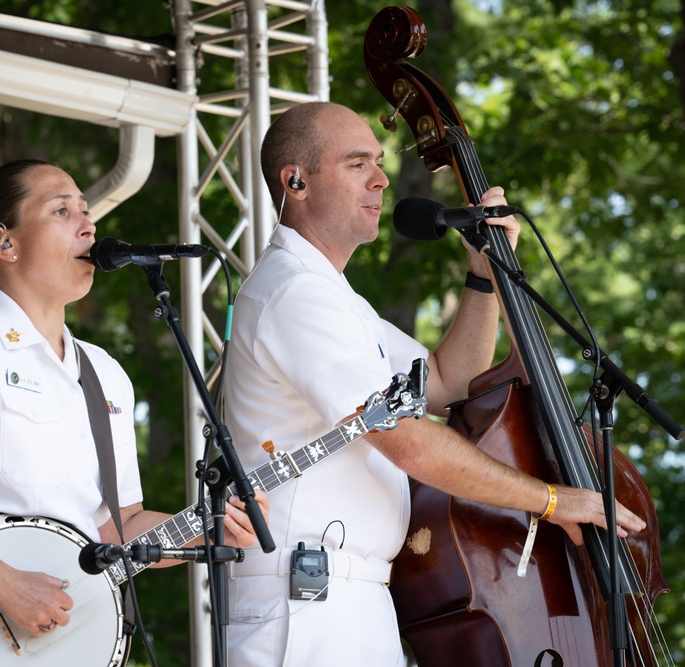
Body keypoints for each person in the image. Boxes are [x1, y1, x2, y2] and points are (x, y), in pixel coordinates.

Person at [221, 102, 647, 666]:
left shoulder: (339, 301)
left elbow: (449, 383)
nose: (380, 179)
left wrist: (483, 274)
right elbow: (408, 439)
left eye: (379, 161)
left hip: (350, 599)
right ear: (295, 181)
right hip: (307, 603)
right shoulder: (296, 293)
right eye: (356, 164)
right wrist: (549, 500)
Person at [0, 159, 268, 666]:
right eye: (61, 210)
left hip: (63, 644)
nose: (89, 225)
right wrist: (7, 585)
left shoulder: (104, 373)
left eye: (87, 211)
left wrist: (209, 530)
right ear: (3, 243)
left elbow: (118, 529)